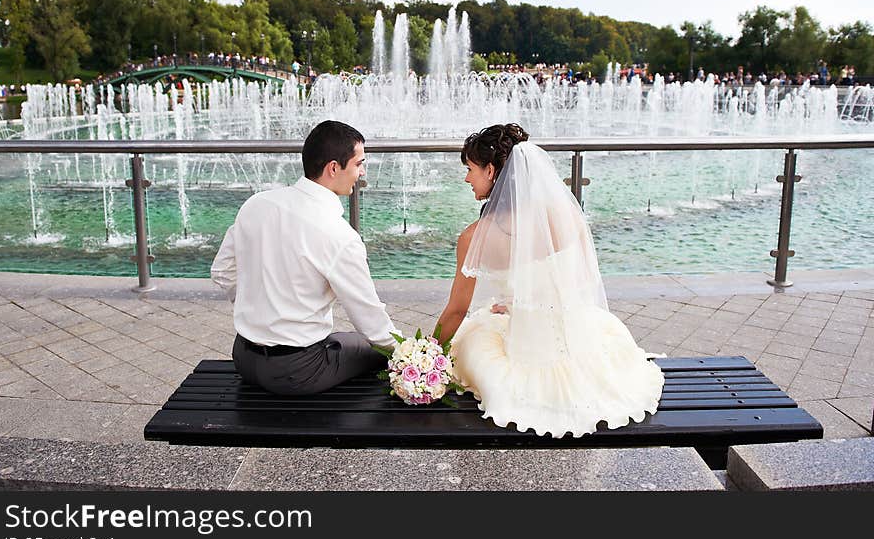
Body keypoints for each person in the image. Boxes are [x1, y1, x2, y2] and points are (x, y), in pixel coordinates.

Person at [435, 124, 664, 438]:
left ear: (490, 170)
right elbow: (579, 281)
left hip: (525, 356)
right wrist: (524, 301)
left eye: (470, 169)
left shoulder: (474, 238)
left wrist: (426, 354)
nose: (466, 178)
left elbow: (456, 311)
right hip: (581, 343)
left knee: (473, 337)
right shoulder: (565, 217)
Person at [211, 120, 400, 395]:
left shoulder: (257, 204)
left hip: (244, 357)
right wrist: (411, 355)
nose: (362, 172)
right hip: (297, 372)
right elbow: (368, 317)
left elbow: (222, 271)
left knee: (346, 342)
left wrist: (260, 315)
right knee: (374, 348)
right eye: (359, 164)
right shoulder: (338, 235)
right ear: (333, 168)